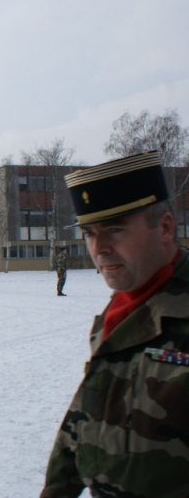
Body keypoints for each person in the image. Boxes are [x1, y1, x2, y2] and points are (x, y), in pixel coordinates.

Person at [40, 151, 189, 497]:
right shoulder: (118, 313)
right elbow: (87, 412)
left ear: (165, 227)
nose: (100, 248)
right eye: (90, 233)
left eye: (115, 229)